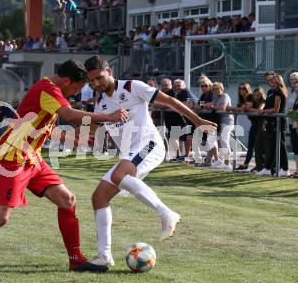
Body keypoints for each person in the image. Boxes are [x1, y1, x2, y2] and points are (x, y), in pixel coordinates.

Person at [0, 59, 129, 275]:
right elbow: (70, 115)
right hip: (12, 158)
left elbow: (44, 128)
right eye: (75, 88)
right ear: (66, 81)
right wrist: (109, 116)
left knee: (67, 200)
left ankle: (75, 260)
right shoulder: (48, 89)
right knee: (0, 217)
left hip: (31, 157)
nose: (74, 93)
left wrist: (75, 141)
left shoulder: (50, 91)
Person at [82, 56, 216, 268]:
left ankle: (167, 213)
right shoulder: (101, 103)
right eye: (92, 81)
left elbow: (170, 101)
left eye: (99, 77)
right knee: (99, 197)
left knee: (119, 176)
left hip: (149, 144)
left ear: (109, 70)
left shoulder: (133, 86)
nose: (97, 84)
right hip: (129, 153)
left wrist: (197, 121)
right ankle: (104, 257)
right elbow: (97, 129)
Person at [257, 71, 289, 177]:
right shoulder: (270, 91)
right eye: (268, 81)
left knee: (280, 145)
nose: (271, 82)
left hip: (278, 122)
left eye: (272, 80)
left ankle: (285, 169)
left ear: (277, 79)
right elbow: (266, 104)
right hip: (271, 122)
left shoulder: (279, 92)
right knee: (273, 146)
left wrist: (264, 111)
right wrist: (263, 110)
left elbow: (275, 110)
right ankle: (267, 168)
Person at [288, 72, 298, 178]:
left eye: (295, 79)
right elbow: (290, 110)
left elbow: (292, 111)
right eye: (291, 79)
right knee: (295, 149)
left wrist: (292, 114)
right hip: (292, 124)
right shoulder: (292, 92)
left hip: (296, 125)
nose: (293, 81)